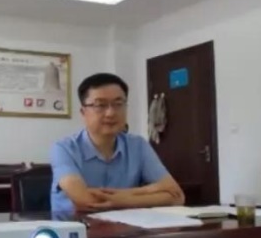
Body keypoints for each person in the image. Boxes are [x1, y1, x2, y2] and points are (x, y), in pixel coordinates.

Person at [49, 73, 184, 213]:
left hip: (126, 226)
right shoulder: (64, 148)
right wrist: (147, 192)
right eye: (100, 105)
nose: (110, 113)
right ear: (83, 112)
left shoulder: (138, 145)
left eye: (118, 104)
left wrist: (124, 196)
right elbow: (86, 201)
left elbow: (177, 197)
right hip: (77, 226)